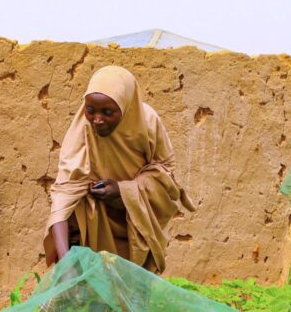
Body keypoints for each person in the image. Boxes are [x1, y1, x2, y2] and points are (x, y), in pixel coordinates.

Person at [44, 65, 195, 273]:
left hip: (132, 220)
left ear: (125, 107)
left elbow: (165, 175)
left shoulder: (148, 122)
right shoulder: (81, 128)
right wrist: (66, 265)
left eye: (108, 112)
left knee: (128, 290)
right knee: (76, 216)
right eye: (90, 111)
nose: (97, 120)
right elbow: (64, 194)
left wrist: (124, 190)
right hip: (93, 222)